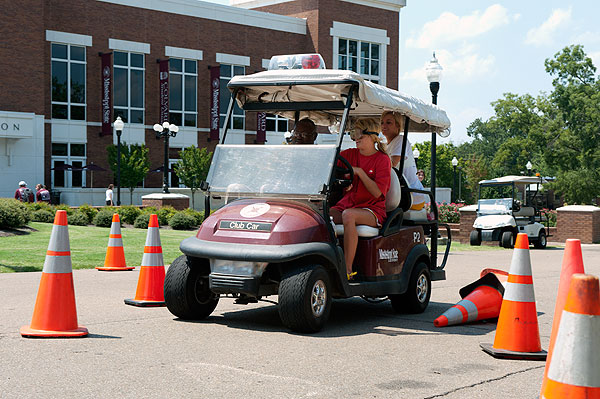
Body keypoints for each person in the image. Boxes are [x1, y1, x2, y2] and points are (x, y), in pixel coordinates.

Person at [330, 118, 391, 279]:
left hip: (372, 210)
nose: (356, 138)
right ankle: (326, 261)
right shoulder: (349, 154)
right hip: (348, 205)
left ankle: (347, 270)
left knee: (348, 215)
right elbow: (331, 167)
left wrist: (360, 173)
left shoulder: (382, 159)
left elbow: (378, 193)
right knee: (321, 215)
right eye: (354, 134)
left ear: (372, 136)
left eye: (360, 135)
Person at [381, 110, 426, 210]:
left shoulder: (400, 140)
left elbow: (391, 165)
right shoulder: (384, 146)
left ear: (397, 126)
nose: (384, 126)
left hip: (411, 196)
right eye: (382, 123)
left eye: (388, 122)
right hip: (397, 193)